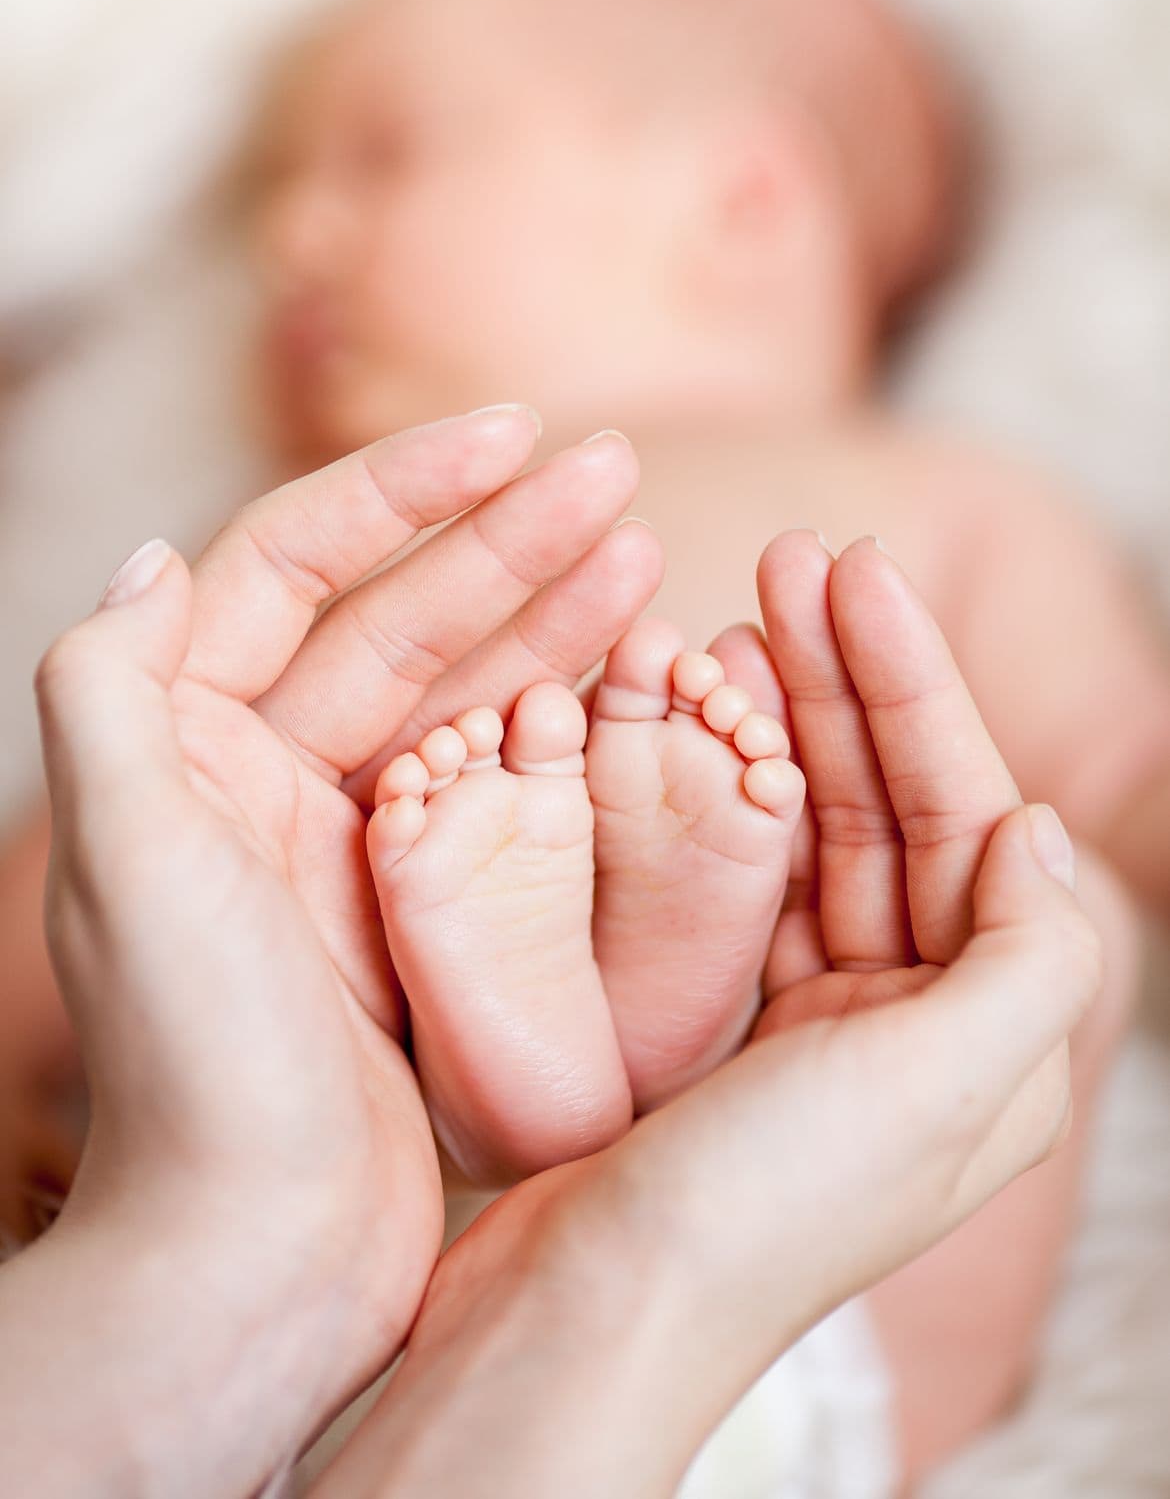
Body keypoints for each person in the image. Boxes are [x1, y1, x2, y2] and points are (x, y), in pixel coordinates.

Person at [238, 0, 1160, 1477]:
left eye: (377, 157)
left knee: (1050, 912)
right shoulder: (312, 557)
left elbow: (1124, 771)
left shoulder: (944, 499)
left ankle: (652, 1032)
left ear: (740, 203)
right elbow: (104, 869)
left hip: (763, 1319)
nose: (285, 238)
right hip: (281, 1276)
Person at [1, 415, 1102, 1497]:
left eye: (371, 215)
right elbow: (120, 839)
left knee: (1037, 930)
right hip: (699, 1326)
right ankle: (623, 1057)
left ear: (755, 229)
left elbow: (1126, 755)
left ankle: (604, 1044)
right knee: (1026, 961)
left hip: (262, 1368)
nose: (310, 242)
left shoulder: (940, 482)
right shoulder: (300, 532)